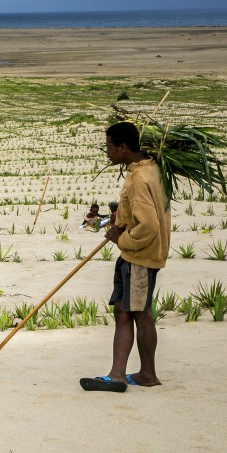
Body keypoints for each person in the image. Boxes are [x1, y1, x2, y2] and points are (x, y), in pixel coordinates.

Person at [81, 122, 170, 393]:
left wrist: (122, 240)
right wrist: (120, 222)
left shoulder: (139, 179)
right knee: (122, 309)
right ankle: (124, 373)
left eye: (109, 146)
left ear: (122, 147)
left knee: (140, 313)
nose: (106, 152)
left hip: (140, 257)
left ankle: (140, 375)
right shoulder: (147, 168)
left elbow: (149, 224)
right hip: (132, 255)